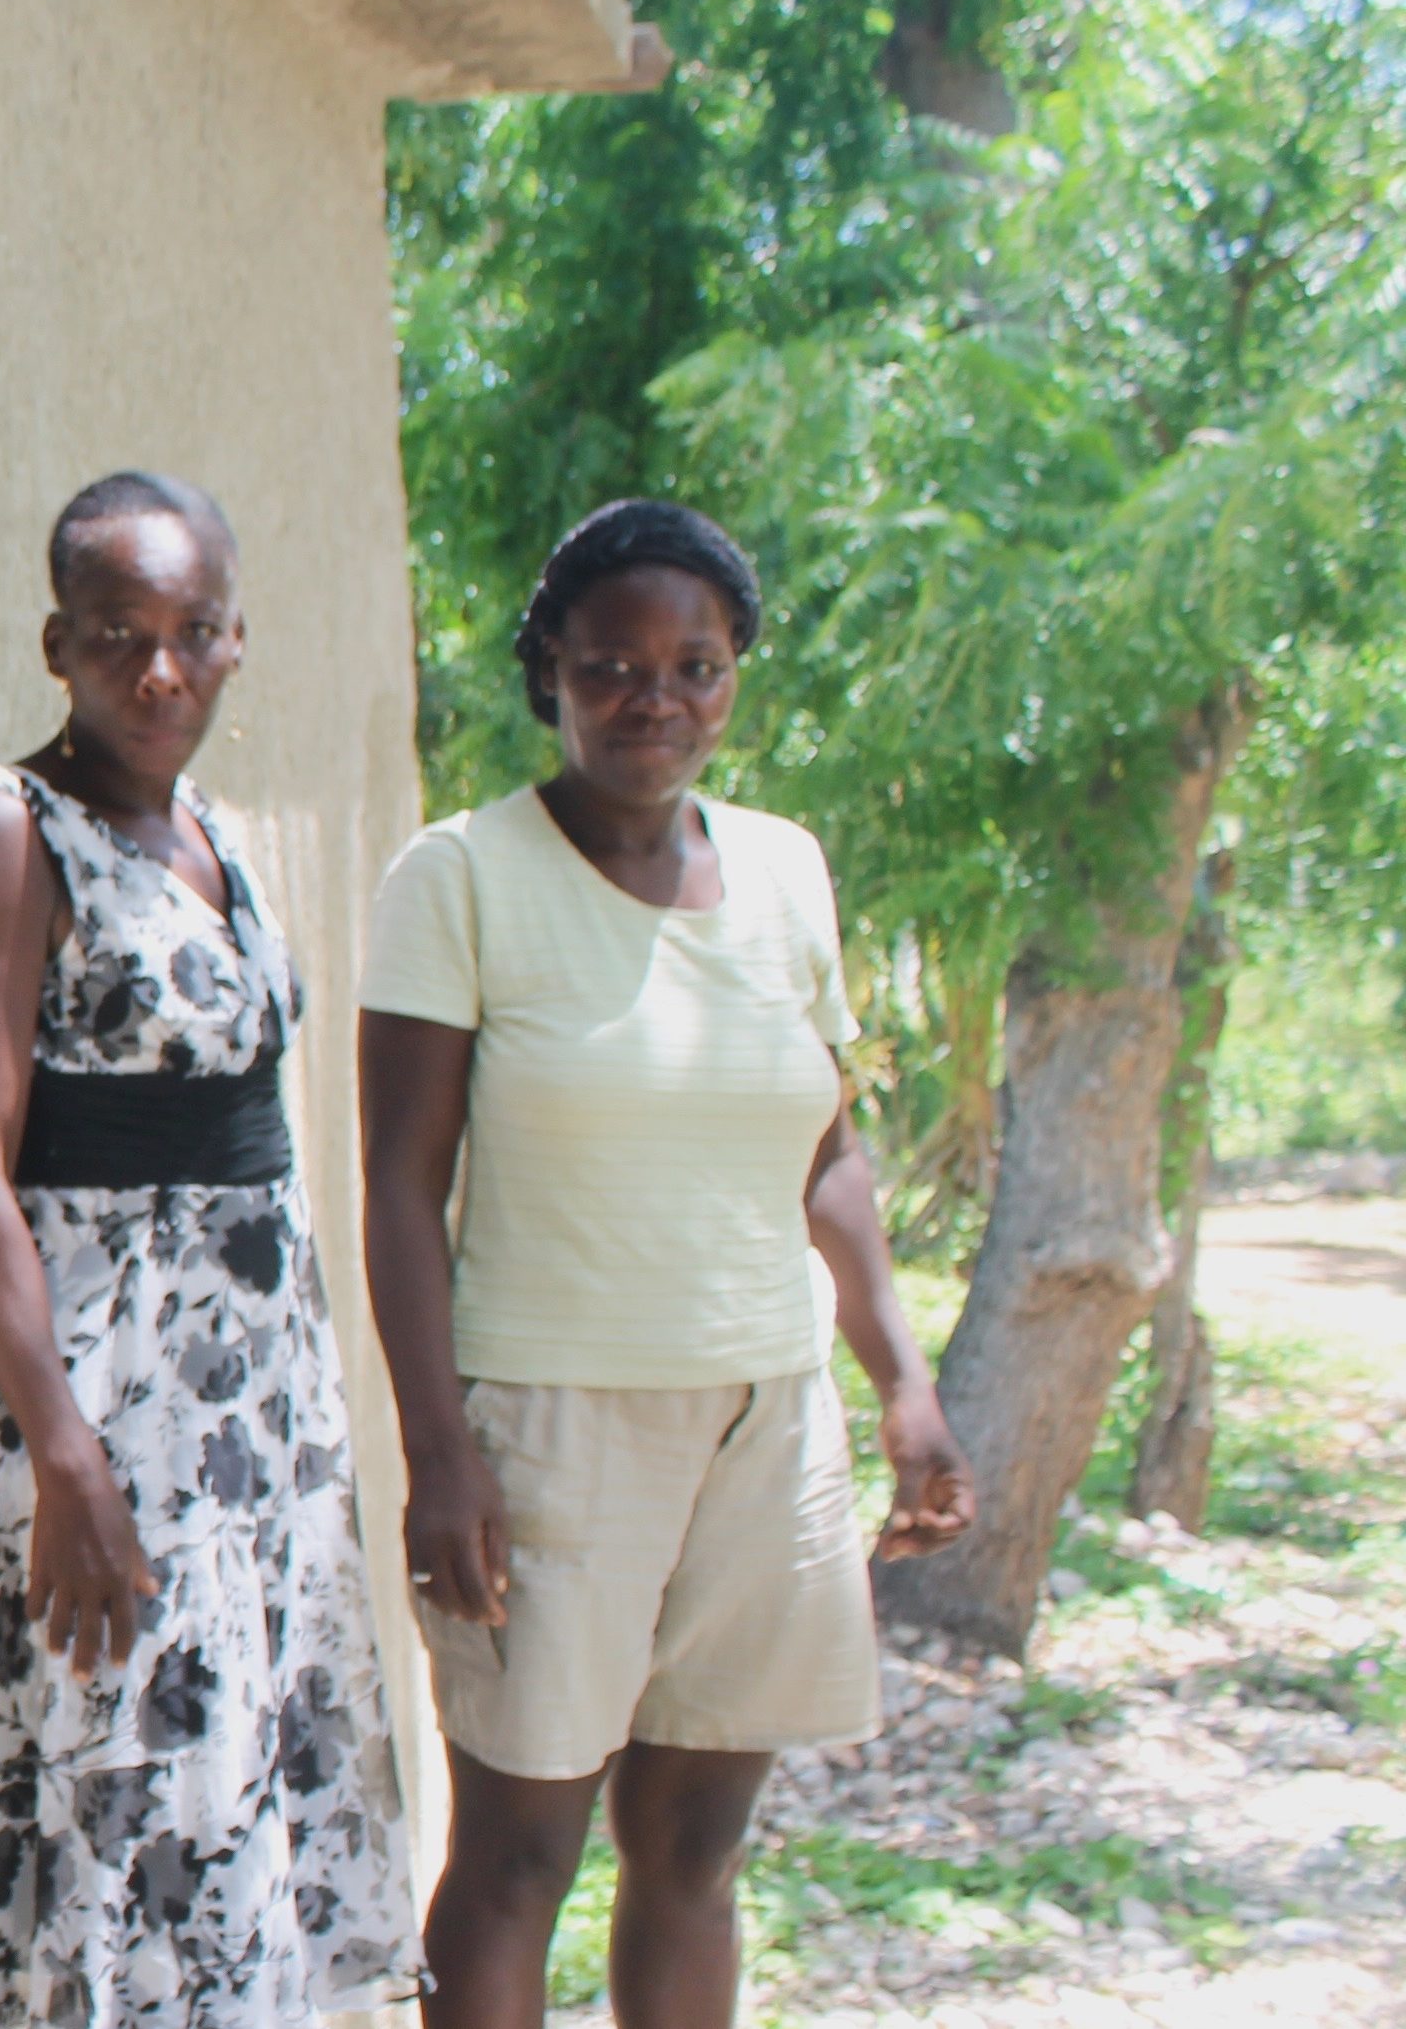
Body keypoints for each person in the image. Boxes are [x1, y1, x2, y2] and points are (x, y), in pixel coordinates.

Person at [357, 499, 978, 2029]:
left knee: (696, 1847)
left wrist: (901, 1381)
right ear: (550, 670)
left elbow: (825, 1151)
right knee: (516, 1856)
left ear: (735, 679)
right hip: (551, 1426)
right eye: (614, 664)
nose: (656, 698)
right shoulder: (462, 877)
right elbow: (395, 1184)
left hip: (766, 1421)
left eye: (694, 666)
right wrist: (439, 1451)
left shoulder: (783, 872)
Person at [0, 473, 423, 2026]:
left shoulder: (208, 836)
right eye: (120, 635)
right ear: (59, 642)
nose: (159, 669)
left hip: (247, 1406)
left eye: (193, 634)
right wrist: (66, 1453)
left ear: (239, 640)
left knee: (221, 1771)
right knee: (116, 1767)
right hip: (104, 1398)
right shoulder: (6, 829)